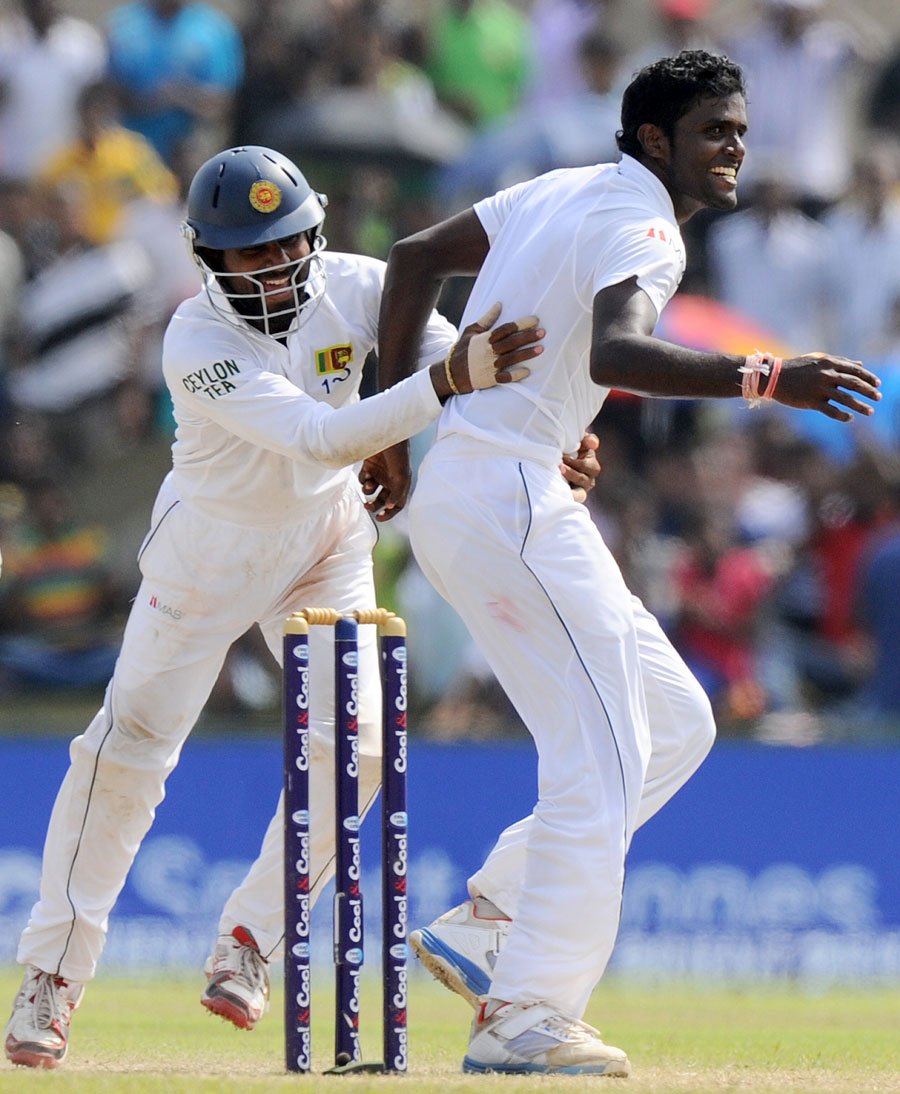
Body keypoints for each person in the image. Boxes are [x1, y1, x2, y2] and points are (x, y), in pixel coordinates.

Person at [370, 50, 882, 1076]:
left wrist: (395, 427)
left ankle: (489, 920)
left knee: (676, 722)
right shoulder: (645, 224)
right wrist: (767, 374)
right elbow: (616, 351)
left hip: (491, 486)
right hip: (510, 495)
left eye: (739, 129)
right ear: (656, 139)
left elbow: (415, 257)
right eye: (713, 132)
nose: (734, 147)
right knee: (597, 758)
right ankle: (527, 1012)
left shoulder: (561, 188)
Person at [1, 143, 554, 1070]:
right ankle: (52, 976)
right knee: (124, 755)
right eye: (245, 254)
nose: (269, 267)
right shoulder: (196, 339)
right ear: (207, 258)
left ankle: (252, 941)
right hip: (205, 554)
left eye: (284, 244)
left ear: (316, 231)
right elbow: (323, 433)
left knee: (365, 748)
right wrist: (450, 385)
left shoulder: (360, 284)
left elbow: (461, 371)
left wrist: (545, 441)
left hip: (325, 541)